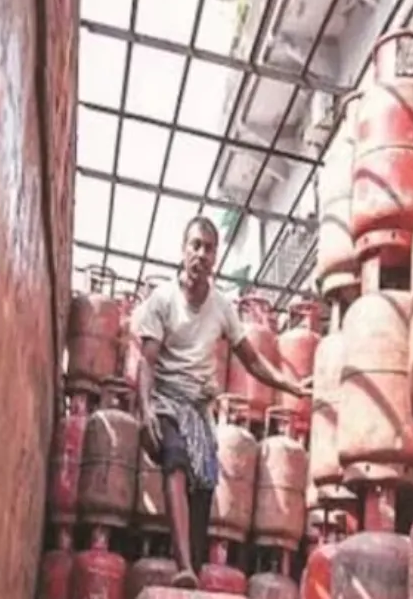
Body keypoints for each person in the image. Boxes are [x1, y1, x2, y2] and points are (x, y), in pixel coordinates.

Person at [130, 215, 311, 588]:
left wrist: (289, 385)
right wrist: (145, 409)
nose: (201, 254)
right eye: (195, 245)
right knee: (176, 462)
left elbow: (251, 360)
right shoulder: (162, 300)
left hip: (199, 410)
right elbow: (147, 362)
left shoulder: (222, 307)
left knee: (204, 486)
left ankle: (191, 573)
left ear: (215, 258)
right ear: (183, 251)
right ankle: (183, 565)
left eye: (209, 249)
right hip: (165, 402)